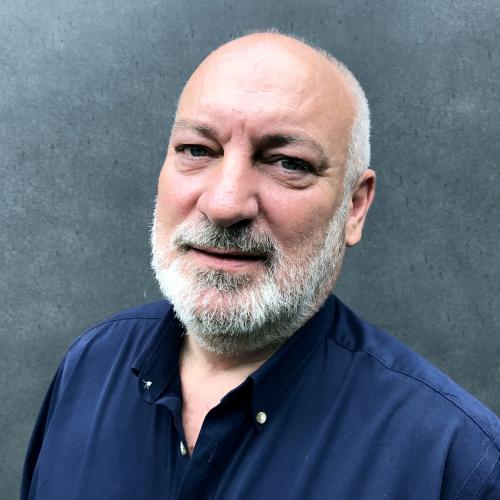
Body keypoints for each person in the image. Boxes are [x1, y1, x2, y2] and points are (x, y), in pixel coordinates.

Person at [22, 32, 499, 500]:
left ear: (354, 207)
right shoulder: (90, 365)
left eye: (288, 163)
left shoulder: (456, 464)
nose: (225, 204)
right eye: (197, 150)